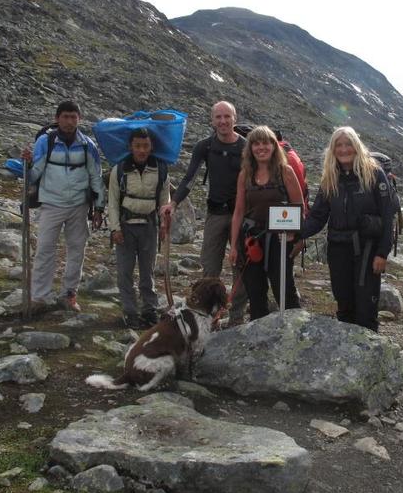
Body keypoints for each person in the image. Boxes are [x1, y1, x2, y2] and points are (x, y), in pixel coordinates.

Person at [299, 127, 395, 331]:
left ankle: (369, 357)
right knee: (344, 305)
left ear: (356, 146)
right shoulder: (330, 178)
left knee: (366, 308)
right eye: (338, 145)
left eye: (348, 144)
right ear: (333, 150)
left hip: (367, 251)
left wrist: (382, 253)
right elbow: (317, 216)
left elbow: (387, 216)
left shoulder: (374, 174)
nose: (344, 149)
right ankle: (347, 357)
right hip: (338, 249)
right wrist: (295, 232)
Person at [160, 101, 247, 324]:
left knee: (241, 266)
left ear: (234, 119)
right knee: (210, 267)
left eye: (227, 116)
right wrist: (174, 203)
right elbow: (190, 178)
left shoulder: (246, 147)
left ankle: (236, 317)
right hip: (215, 213)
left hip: (242, 215)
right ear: (212, 120)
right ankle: (209, 316)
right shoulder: (205, 146)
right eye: (218, 117)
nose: (223, 121)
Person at [21, 99, 105, 313]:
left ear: (79, 119)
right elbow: (35, 172)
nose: (69, 121)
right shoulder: (45, 142)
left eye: (73, 117)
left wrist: (99, 207)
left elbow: (96, 176)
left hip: (79, 205)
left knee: (76, 250)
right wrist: (28, 164)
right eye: (65, 117)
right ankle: (40, 297)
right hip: (52, 204)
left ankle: (69, 294)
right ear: (57, 118)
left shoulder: (88, 145)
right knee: (44, 249)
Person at [228, 125, 304, 320]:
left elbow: (299, 205)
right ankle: (258, 335)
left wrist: (299, 237)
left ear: (274, 146)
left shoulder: (285, 172)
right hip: (251, 238)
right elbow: (238, 211)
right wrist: (234, 246)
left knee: (284, 287)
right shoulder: (245, 174)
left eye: (266, 143)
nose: (261, 148)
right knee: (255, 290)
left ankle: (293, 329)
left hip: (280, 238)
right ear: (250, 148)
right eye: (256, 144)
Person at [108, 128, 170, 328]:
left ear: (151, 147)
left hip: (150, 226)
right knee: (125, 271)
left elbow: (164, 200)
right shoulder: (119, 170)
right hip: (125, 226)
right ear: (130, 147)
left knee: (147, 271)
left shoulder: (161, 170)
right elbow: (113, 201)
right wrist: (114, 228)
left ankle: (149, 310)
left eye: (145, 146)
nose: (142, 150)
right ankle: (130, 311)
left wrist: (163, 226)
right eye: (137, 146)